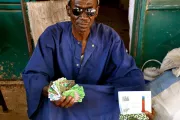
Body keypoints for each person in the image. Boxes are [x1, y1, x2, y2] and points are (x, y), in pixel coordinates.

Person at [22, 0, 149, 119]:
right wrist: (50, 91)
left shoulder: (109, 36)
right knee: (50, 108)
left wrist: (139, 106)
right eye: (77, 11)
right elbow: (35, 73)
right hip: (62, 103)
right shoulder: (53, 35)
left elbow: (128, 72)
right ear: (68, 10)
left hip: (97, 96)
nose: (83, 17)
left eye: (90, 11)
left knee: (126, 108)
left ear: (97, 11)